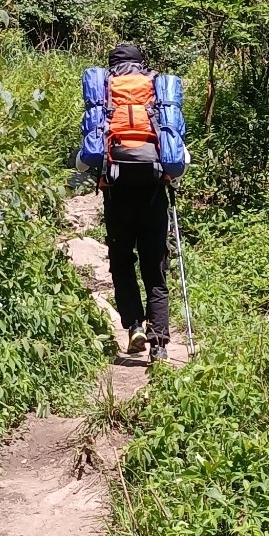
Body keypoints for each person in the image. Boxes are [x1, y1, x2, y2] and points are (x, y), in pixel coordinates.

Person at [78, 40, 188, 362]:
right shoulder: (155, 94)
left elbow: (87, 156)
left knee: (123, 262)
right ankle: (161, 345)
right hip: (153, 192)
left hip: (116, 191)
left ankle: (135, 326)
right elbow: (180, 153)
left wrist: (88, 167)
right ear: (142, 65)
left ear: (111, 67)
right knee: (155, 268)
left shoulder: (104, 94)